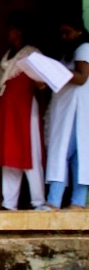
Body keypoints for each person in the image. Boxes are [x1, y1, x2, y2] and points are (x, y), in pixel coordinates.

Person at [0, 16, 46, 210]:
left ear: (19, 31)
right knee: (9, 154)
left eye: (10, 29)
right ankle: (9, 203)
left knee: (31, 153)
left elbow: (42, 83)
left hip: (25, 109)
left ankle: (38, 202)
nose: (8, 33)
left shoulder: (32, 53)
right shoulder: (7, 55)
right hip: (7, 110)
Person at [45, 16, 89, 209]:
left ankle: (59, 201)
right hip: (66, 109)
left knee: (69, 153)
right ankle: (72, 202)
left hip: (77, 109)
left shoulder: (84, 48)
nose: (64, 37)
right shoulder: (69, 53)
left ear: (79, 31)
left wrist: (58, 70)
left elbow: (81, 77)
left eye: (67, 32)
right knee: (69, 154)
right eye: (61, 33)